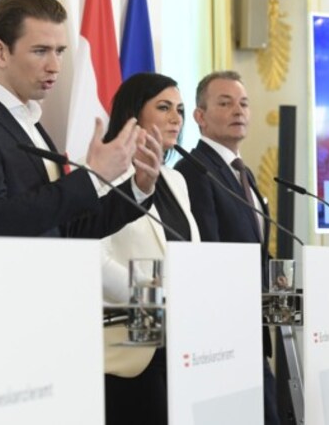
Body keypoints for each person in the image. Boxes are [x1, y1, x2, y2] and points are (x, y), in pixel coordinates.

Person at [0, 0, 161, 238]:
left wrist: (139, 187)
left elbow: (68, 229)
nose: (55, 66)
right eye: (41, 51)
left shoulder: (29, 121)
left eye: (60, 51)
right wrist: (94, 176)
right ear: (0, 52)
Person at [174, 70, 280, 425]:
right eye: (225, 102)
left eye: (244, 103)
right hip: (222, 334)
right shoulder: (195, 170)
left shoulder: (242, 172)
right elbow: (210, 253)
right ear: (200, 116)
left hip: (250, 325)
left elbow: (255, 247)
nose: (239, 110)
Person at [100, 73, 200, 425]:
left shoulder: (176, 179)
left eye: (181, 110)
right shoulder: (105, 172)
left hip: (180, 343)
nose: (176, 118)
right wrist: (155, 297)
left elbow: (187, 250)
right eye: (163, 107)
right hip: (129, 348)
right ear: (134, 114)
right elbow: (95, 259)